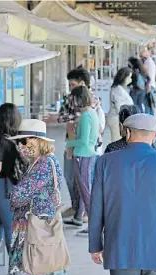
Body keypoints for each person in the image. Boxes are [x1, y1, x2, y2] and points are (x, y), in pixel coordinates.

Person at [89, 113, 156, 275]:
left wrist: (95, 245)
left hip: (120, 247)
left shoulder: (105, 162)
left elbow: (96, 207)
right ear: (155, 135)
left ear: (127, 133)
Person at [7, 119, 65, 275]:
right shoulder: (43, 161)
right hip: (38, 228)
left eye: (24, 141)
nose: (20, 146)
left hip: (32, 230)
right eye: (19, 142)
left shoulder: (43, 164)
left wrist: (13, 195)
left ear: (38, 141)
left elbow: (18, 195)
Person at [44, 67, 94, 221]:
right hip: (74, 145)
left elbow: (74, 118)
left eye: (73, 84)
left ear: (82, 84)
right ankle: (78, 209)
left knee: (83, 184)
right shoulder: (72, 99)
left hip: (82, 149)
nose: (71, 88)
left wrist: (60, 120)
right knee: (70, 177)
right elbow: (66, 115)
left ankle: (85, 213)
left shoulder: (89, 103)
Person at [0, 103, 22, 268]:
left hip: (5, 188)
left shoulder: (1, 139)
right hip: (17, 186)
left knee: (8, 227)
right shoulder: (20, 137)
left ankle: (15, 265)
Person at [63, 86, 99, 235]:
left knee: (85, 191)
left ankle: (94, 226)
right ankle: (79, 217)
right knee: (82, 189)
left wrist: (69, 144)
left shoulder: (85, 117)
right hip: (87, 154)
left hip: (83, 155)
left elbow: (83, 141)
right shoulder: (91, 114)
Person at [107, 67, 134, 142]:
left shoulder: (120, 89)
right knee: (117, 142)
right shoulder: (118, 90)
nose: (130, 80)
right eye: (129, 77)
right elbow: (120, 107)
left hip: (119, 120)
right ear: (123, 78)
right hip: (117, 120)